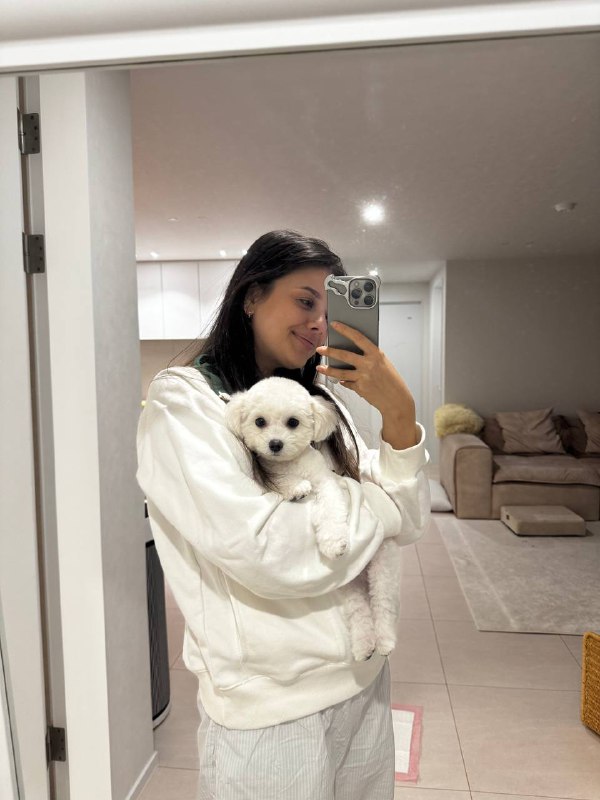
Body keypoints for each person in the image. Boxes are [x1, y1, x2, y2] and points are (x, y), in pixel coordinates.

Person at [136, 229, 431, 800]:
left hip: (365, 677)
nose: (320, 323)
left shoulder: (323, 404)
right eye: (304, 300)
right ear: (252, 296)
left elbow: (412, 519)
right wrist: (377, 503)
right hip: (271, 708)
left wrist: (400, 415)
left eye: (329, 307)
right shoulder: (185, 402)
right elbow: (269, 553)